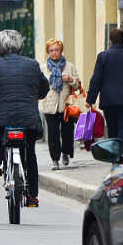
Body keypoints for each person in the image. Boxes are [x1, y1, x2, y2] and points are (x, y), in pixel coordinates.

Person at [0, 29, 50, 208]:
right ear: (20, 46)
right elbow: (44, 87)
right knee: (30, 153)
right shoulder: (32, 65)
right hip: (28, 120)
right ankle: (32, 196)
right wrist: (36, 94)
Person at [86, 28, 123, 146]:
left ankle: (114, 154)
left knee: (112, 129)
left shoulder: (103, 57)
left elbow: (97, 78)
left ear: (110, 41)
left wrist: (90, 99)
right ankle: (122, 153)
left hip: (109, 101)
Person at [39, 38, 82, 170]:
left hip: (66, 106)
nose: (54, 53)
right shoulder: (43, 68)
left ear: (61, 51)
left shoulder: (69, 66)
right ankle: (55, 159)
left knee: (67, 131)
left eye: (56, 50)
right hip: (49, 105)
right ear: (48, 52)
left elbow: (78, 86)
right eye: (51, 50)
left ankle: (65, 153)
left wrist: (70, 79)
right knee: (53, 133)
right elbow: (39, 86)